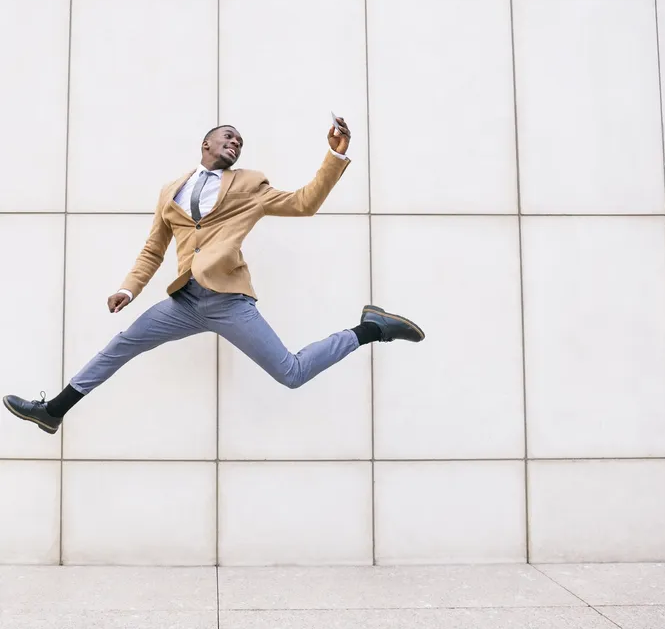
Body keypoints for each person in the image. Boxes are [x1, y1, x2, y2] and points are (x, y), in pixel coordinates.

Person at [4, 119, 424, 435]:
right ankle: (54, 411)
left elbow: (303, 203)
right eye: (228, 136)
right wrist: (127, 288)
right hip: (183, 303)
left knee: (291, 373)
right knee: (120, 346)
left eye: (239, 141)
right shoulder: (172, 190)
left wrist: (334, 156)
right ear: (206, 143)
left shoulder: (249, 186)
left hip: (228, 302)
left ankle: (370, 328)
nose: (235, 143)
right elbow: (154, 248)